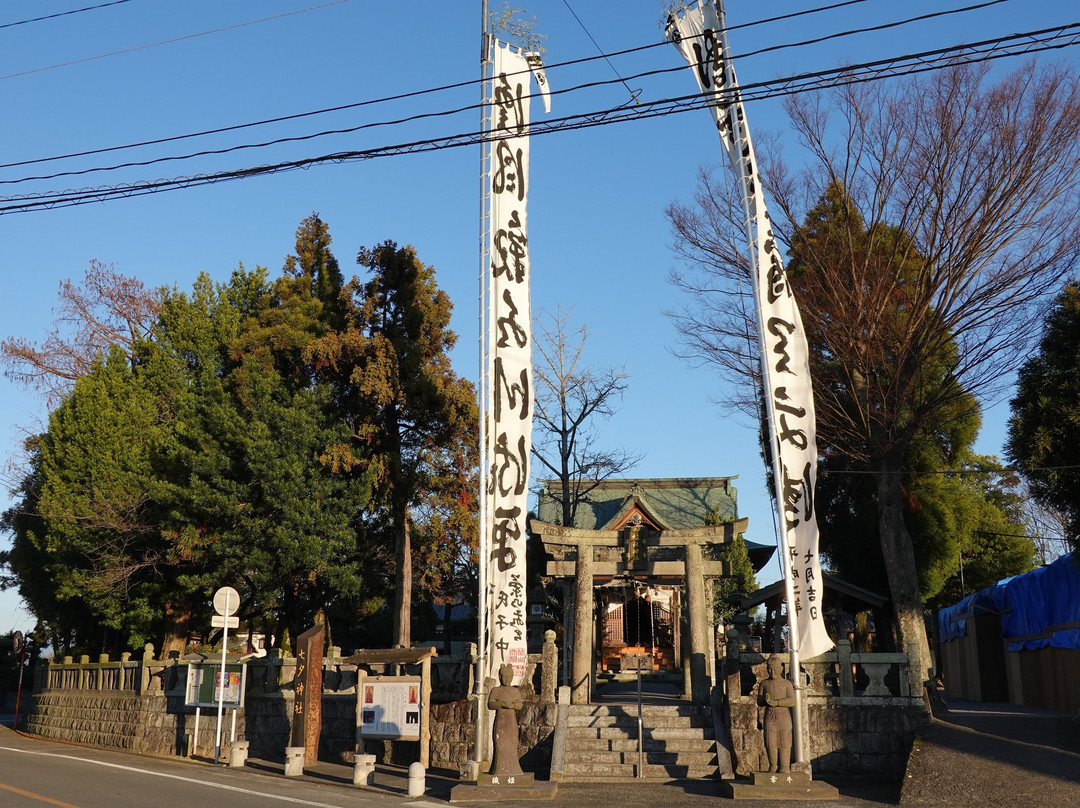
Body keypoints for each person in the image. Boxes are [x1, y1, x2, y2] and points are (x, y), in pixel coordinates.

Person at [760, 653, 796, 773]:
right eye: (769, 669)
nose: (772, 671)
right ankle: (773, 765)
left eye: (775, 668)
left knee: (785, 742)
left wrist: (777, 702)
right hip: (770, 715)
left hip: (783, 716)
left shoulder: (787, 684)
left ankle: (785, 766)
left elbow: (792, 701)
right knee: (771, 742)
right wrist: (766, 700)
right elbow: (759, 701)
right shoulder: (764, 684)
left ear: (781, 668)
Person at [487, 663, 525, 776]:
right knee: (499, 743)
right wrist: (501, 704)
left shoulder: (515, 691)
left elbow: (520, 705)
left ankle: (513, 769)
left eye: (508, 677)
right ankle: (498, 769)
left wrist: (513, 705)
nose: (506, 679)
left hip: (511, 721)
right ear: (499, 677)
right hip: (500, 721)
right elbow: (490, 704)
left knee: (512, 743)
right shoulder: (496, 690)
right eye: (503, 676)